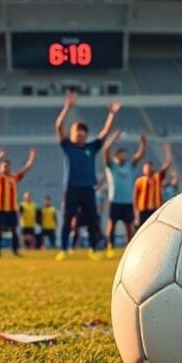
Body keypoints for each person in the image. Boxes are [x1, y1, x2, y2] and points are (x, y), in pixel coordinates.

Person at [55, 92, 119, 261]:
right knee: (68, 219)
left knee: (92, 221)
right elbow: (59, 126)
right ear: (73, 133)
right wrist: (67, 107)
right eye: (77, 132)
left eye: (83, 132)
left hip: (88, 189)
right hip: (72, 188)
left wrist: (111, 114)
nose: (80, 134)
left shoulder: (91, 147)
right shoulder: (68, 146)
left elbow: (105, 133)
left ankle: (93, 249)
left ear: (86, 135)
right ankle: (63, 249)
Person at [103, 130, 145, 258]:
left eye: (125, 155)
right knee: (112, 225)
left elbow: (139, 156)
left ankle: (129, 248)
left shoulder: (129, 166)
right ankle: (110, 246)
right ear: (116, 156)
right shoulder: (112, 166)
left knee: (129, 227)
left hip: (127, 202)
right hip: (115, 201)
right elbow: (106, 150)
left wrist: (143, 144)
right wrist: (113, 139)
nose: (124, 157)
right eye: (121, 155)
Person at [0, 147, 37, 257]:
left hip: (11, 209)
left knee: (14, 231)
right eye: (4, 166)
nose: (6, 168)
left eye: (8, 166)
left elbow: (26, 168)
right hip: (0, 209)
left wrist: (32, 157)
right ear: (1, 167)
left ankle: (15, 251)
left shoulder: (14, 177)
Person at [133, 143, 174, 226]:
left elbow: (167, 164)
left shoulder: (157, 177)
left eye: (150, 167)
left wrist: (168, 152)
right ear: (143, 169)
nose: (148, 169)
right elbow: (135, 199)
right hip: (143, 211)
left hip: (155, 210)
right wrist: (136, 215)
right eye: (147, 168)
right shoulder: (139, 181)